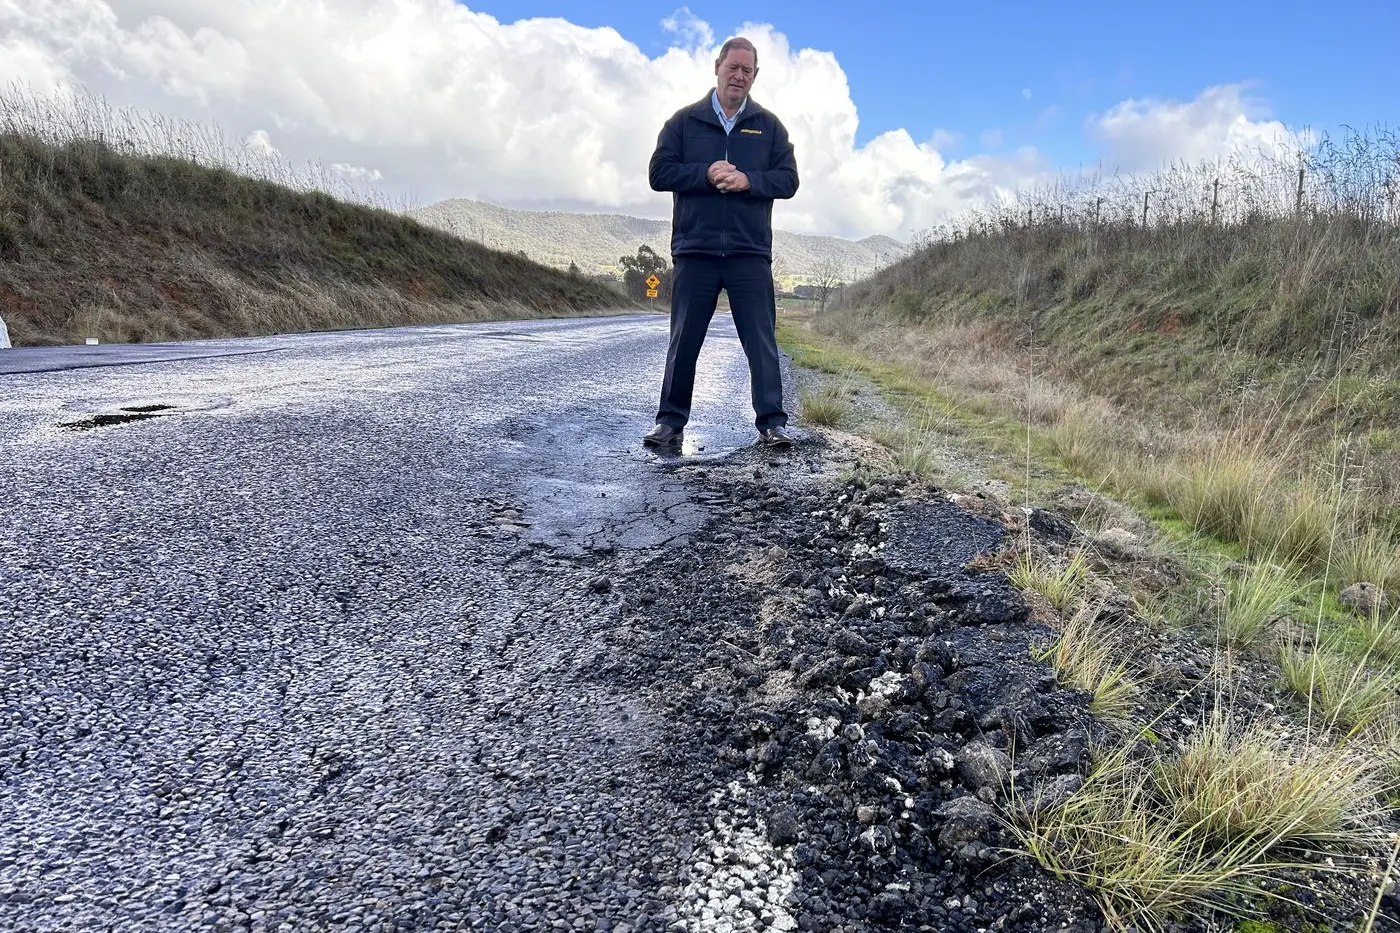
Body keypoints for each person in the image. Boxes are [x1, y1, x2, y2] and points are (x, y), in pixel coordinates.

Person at [643, 36, 799, 450]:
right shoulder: (684, 121)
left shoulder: (769, 127)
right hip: (696, 250)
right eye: (733, 67)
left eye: (747, 71)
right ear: (717, 66)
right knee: (684, 341)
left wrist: (750, 181)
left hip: (749, 254)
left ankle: (772, 423)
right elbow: (659, 173)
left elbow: (788, 180)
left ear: (755, 76)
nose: (739, 76)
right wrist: (705, 173)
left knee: (761, 341)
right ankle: (670, 422)